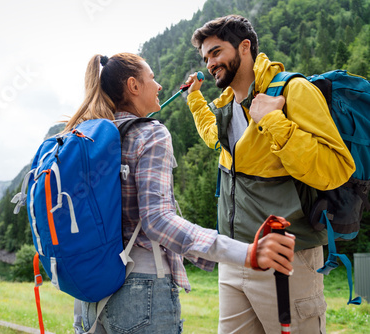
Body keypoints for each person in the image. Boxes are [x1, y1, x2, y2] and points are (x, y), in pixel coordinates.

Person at [66, 52, 296, 334]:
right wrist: (245, 252)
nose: (159, 86)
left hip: (89, 291)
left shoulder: (85, 135)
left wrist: (194, 96)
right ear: (134, 86)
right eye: (152, 78)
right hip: (140, 288)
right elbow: (157, 221)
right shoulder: (150, 134)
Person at [185, 14, 356, 334]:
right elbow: (213, 137)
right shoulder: (223, 105)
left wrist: (276, 123)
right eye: (206, 57)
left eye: (217, 52)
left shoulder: (294, 90)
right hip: (234, 257)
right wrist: (194, 98)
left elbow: (337, 169)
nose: (210, 63)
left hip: (288, 260)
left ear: (244, 47)